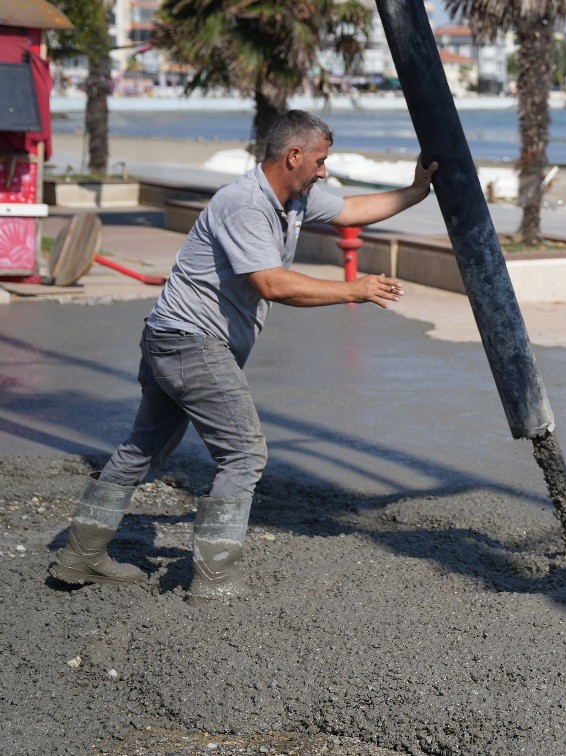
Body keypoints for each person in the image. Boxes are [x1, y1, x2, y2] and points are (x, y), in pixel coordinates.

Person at [48, 110, 438, 600]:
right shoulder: (244, 205)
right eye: (320, 161)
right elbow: (272, 284)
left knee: (143, 448)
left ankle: (79, 556)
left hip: (170, 336)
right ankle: (214, 580)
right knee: (244, 453)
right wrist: (353, 289)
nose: (324, 171)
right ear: (293, 156)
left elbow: (353, 211)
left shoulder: (294, 198)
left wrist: (417, 191)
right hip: (192, 342)